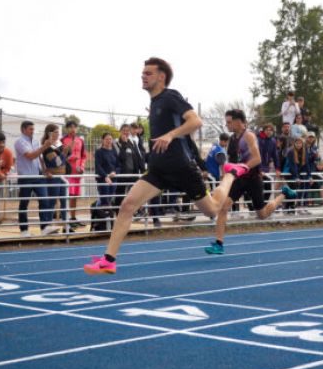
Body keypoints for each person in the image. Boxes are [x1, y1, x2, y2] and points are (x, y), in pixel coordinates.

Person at [83, 57, 244, 274]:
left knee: (213, 210)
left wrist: (170, 135)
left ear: (161, 77)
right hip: (158, 169)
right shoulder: (156, 102)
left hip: (181, 167)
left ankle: (231, 174)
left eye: (148, 73)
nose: (143, 76)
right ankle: (109, 260)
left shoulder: (170, 96)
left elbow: (196, 121)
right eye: (142, 73)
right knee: (127, 205)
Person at [204, 109, 295, 254]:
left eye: (229, 122)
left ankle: (284, 193)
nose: (226, 125)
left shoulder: (249, 136)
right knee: (223, 207)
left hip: (253, 179)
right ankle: (219, 244)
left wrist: (242, 167)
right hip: (239, 179)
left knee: (262, 215)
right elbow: (233, 161)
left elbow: (257, 159)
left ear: (238, 122)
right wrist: (226, 175)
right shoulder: (233, 139)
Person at [13, 121, 54, 236]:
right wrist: (45, 146)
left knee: (44, 200)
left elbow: (39, 157)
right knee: (24, 203)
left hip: (38, 175)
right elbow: (30, 156)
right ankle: (24, 230)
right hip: (25, 176)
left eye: (33, 129)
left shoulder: (35, 141)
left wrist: (45, 170)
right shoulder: (19, 142)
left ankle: (45, 227)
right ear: (23, 130)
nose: (33, 131)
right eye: (30, 129)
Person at [61, 121, 87, 223]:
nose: (73, 129)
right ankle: (65, 219)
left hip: (78, 172)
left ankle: (73, 218)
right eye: (70, 127)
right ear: (67, 129)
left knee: (75, 196)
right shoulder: (62, 140)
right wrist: (70, 158)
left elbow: (84, 156)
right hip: (67, 172)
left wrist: (82, 167)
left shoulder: (80, 140)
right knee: (68, 195)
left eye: (74, 127)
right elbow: (61, 156)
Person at [92, 133, 119, 232]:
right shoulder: (99, 152)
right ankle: (102, 224)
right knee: (104, 201)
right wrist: (105, 176)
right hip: (103, 180)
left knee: (108, 201)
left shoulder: (114, 151)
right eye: (107, 139)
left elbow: (118, 165)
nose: (109, 141)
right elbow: (98, 167)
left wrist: (115, 172)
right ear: (103, 140)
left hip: (113, 179)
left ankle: (106, 223)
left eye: (110, 139)